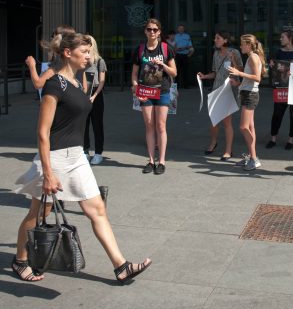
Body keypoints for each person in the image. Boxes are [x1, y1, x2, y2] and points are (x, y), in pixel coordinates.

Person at [13, 32, 151, 282]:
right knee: (38, 214)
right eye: (85, 52)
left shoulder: (77, 82)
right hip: (54, 157)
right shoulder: (55, 84)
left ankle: (121, 266)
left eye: (89, 52)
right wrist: (48, 173)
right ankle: (20, 260)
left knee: (97, 209)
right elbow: (42, 133)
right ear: (68, 53)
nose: (89, 56)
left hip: (77, 157)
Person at [132, 19, 177, 175]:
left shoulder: (166, 49)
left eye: (155, 30)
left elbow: (174, 72)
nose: (152, 32)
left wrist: (162, 64)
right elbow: (134, 74)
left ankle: (162, 161)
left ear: (159, 32)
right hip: (146, 92)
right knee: (149, 125)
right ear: (145, 31)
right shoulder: (140, 49)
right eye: (149, 29)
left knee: (161, 125)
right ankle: (151, 161)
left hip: (163, 90)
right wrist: (136, 89)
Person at [197, 31, 243, 160]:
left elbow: (241, 70)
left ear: (225, 40)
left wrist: (232, 58)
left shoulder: (235, 52)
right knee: (213, 121)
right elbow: (215, 73)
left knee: (227, 122)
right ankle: (213, 142)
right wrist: (205, 76)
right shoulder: (216, 53)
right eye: (215, 38)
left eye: (218, 38)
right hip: (217, 89)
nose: (215, 40)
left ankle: (228, 150)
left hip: (229, 89)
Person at [228, 34, 266, 171]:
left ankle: (254, 158)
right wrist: (238, 82)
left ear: (249, 44)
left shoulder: (253, 58)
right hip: (247, 93)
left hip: (251, 95)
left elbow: (257, 78)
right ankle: (251, 156)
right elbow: (249, 79)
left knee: (244, 127)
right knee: (250, 127)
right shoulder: (252, 57)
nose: (240, 46)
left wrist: (239, 73)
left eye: (242, 44)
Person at [266, 31, 293, 150]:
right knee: (277, 113)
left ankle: (291, 140)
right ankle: (273, 138)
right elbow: (273, 64)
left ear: (290, 38)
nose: (280, 39)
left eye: (283, 37)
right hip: (281, 87)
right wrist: (271, 63)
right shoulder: (279, 52)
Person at [84, 35, 107, 165]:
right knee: (84, 124)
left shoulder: (99, 61)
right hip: (83, 93)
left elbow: (102, 81)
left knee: (97, 124)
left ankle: (98, 153)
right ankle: (85, 151)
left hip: (96, 93)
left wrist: (94, 96)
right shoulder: (80, 60)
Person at [174, 24, 194, 89]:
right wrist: (177, 49)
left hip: (185, 55)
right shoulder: (175, 36)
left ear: (184, 29)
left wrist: (183, 48)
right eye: (179, 28)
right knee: (177, 71)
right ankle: (177, 86)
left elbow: (190, 46)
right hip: (178, 55)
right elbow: (173, 46)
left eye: (182, 28)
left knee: (185, 71)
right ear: (178, 29)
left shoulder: (187, 36)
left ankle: (186, 85)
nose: (181, 30)